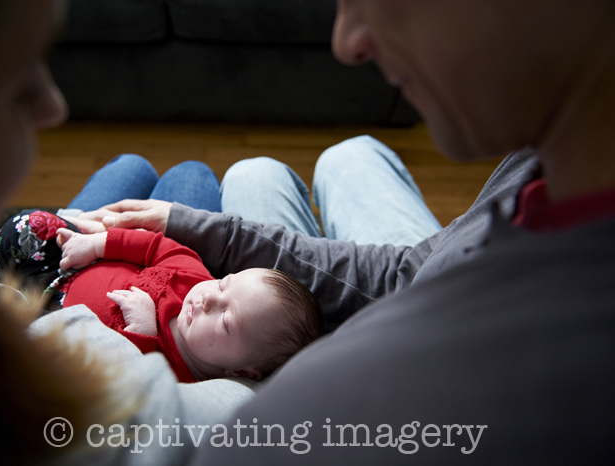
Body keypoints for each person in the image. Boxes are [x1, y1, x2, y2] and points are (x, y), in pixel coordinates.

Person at [74, 0, 615, 463]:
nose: (346, 42)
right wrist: (188, 227)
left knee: (250, 174)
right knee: (329, 157)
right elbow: (412, 271)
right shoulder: (534, 168)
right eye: (221, 284)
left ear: (249, 369)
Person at [0, 2, 257, 465]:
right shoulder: (112, 390)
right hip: (79, 252)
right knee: (191, 175)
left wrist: (77, 231)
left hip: (56, 252)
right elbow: (237, 405)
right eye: (15, 80)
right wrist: (101, 241)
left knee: (130, 166)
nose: (55, 107)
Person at [0, 209, 323, 383]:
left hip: (48, 310)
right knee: (33, 225)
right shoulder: (192, 277)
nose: (207, 299)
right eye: (223, 284)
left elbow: (134, 384)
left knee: (4, 308)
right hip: (71, 262)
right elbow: (156, 245)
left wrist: (143, 334)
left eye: (226, 320)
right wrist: (96, 244)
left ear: (245, 372)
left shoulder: (181, 379)